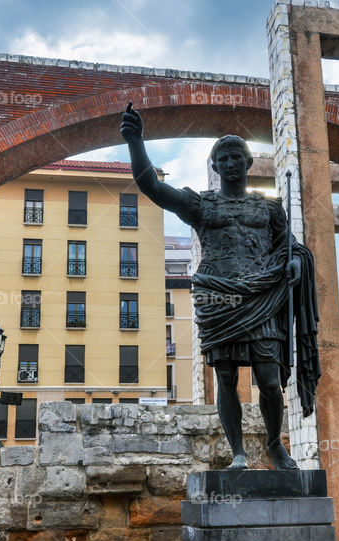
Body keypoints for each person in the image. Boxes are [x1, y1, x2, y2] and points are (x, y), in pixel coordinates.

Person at [120, 103, 320, 471]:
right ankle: (238, 453)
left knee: (269, 379)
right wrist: (136, 141)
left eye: (236, 157)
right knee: (225, 376)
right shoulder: (201, 205)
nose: (229, 163)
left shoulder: (269, 209)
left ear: (247, 164)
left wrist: (294, 263)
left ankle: (276, 446)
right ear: (215, 167)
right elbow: (151, 186)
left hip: (260, 297)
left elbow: (290, 247)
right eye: (222, 158)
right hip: (217, 295)